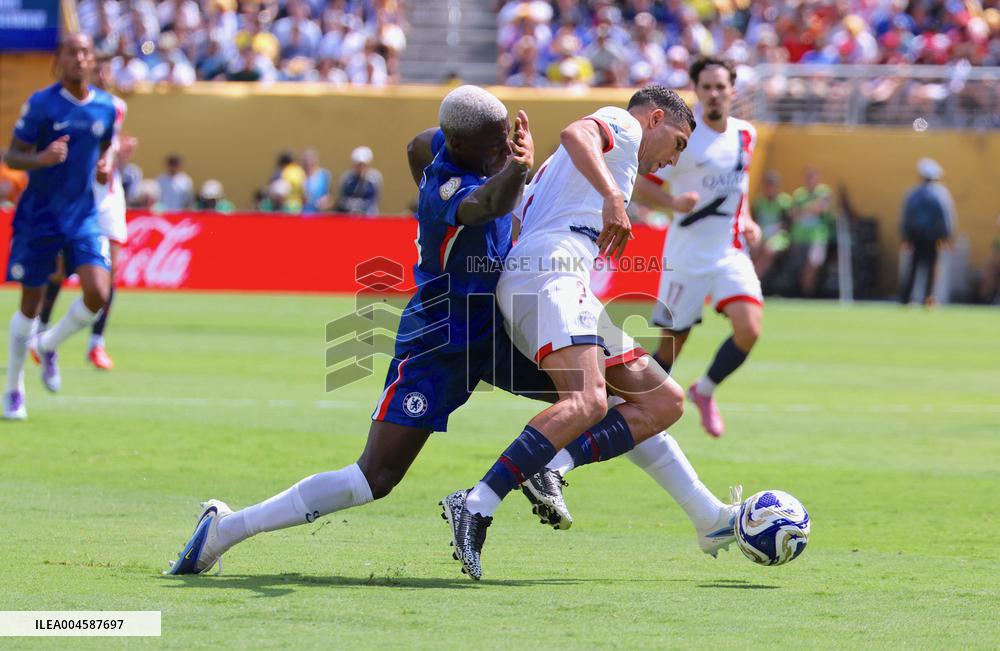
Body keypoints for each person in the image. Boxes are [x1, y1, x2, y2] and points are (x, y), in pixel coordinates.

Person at [166, 86, 737, 578]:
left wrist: (487, 143)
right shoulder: (452, 192)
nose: (500, 154)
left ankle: (705, 517)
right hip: (441, 337)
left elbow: (421, 140)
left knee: (616, 399)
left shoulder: (454, 147)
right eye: (491, 148)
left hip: (493, 324)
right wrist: (518, 166)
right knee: (376, 477)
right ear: (469, 150)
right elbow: (488, 200)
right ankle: (226, 531)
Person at [441, 85, 703, 580]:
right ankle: (476, 502)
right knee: (588, 403)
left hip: (556, 279)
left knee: (664, 401)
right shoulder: (623, 127)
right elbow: (576, 130)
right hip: (550, 275)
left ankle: (551, 465)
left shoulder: (596, 168)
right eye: (678, 142)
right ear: (654, 119)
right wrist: (611, 197)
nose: (674, 158)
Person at [632, 56, 763, 439]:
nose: (714, 93)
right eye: (706, 87)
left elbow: (740, 183)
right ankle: (637, 411)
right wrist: (673, 204)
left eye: (720, 86)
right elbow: (642, 183)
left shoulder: (745, 134)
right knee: (671, 348)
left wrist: (749, 218)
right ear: (697, 91)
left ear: (732, 90)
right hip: (686, 255)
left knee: (749, 328)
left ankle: (704, 391)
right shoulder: (683, 138)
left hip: (729, 251)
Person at [2, 33, 115, 419]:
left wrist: (104, 167)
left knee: (98, 291)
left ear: (92, 59)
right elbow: (13, 155)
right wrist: (43, 158)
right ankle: (14, 388)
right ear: (60, 59)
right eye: (72, 52)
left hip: (82, 216)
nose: (79, 59)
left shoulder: (104, 108)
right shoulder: (42, 104)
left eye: (85, 52)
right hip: (39, 218)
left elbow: (102, 150)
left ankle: (48, 345)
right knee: (30, 305)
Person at [37, 88, 130, 371]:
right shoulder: (65, 106)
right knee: (59, 270)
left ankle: (96, 343)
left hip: (108, 200)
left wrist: (116, 158)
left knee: (109, 273)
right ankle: (41, 333)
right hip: (78, 199)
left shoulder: (115, 106)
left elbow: (108, 146)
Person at [899, 158, 955, 306]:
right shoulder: (940, 194)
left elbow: (906, 216)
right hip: (932, 238)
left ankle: (906, 299)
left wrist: (905, 236)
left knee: (913, 268)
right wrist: (947, 236)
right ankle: (928, 298)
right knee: (931, 269)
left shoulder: (913, 193)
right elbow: (946, 216)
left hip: (915, 237)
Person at [789, 167, 834, 297]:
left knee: (813, 264)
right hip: (800, 236)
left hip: (817, 236)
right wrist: (812, 207)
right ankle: (804, 292)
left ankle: (807, 293)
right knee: (800, 267)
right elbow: (794, 215)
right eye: (808, 177)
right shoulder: (799, 194)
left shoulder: (824, 192)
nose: (810, 180)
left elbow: (821, 208)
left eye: (813, 177)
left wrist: (803, 210)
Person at [751, 170, 793, 284]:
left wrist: (775, 231)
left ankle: (755, 280)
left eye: (772, 185)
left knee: (768, 250)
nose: (769, 188)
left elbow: (787, 224)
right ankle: (752, 276)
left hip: (779, 236)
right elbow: (754, 221)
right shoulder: (759, 201)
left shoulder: (784, 201)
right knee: (753, 250)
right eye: (767, 185)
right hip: (761, 235)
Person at [334, 146, 382, 215]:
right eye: (359, 165)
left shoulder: (374, 179)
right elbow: (342, 198)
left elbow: (374, 199)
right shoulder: (347, 178)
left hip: (368, 216)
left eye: (364, 165)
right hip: (349, 216)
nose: (361, 168)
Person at [301, 148, 332, 213]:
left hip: (318, 215)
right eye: (306, 164)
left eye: (311, 163)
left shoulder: (324, 175)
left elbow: (329, 196)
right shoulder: (298, 175)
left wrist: (324, 202)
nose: (308, 166)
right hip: (301, 214)